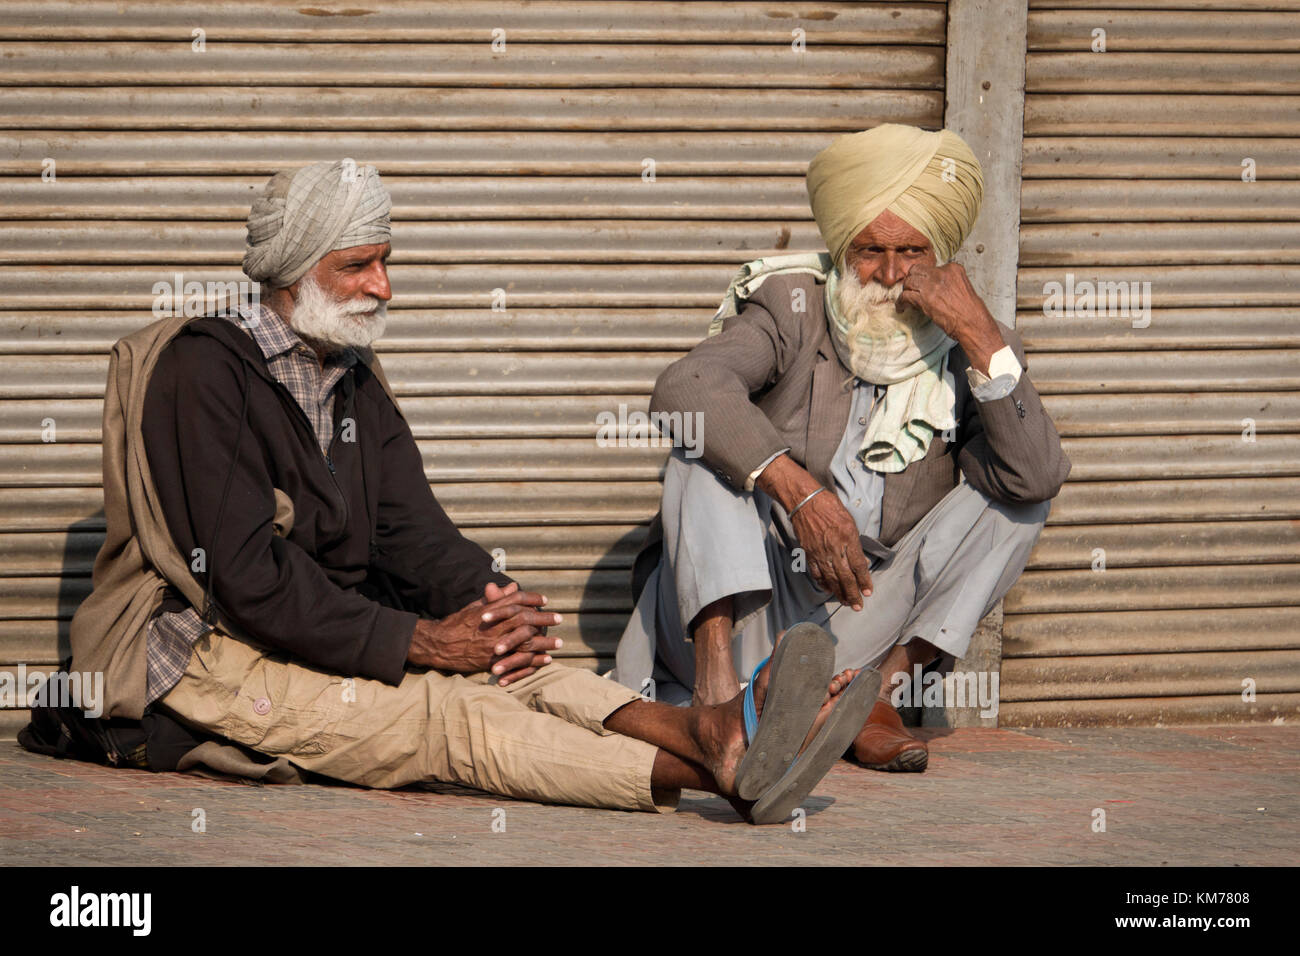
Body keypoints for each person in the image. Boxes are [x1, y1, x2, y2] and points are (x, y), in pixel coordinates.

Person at [65, 160, 873, 824]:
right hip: (211, 655)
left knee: (525, 673)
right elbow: (247, 578)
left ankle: (715, 727)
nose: (383, 287)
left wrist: (495, 610)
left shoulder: (349, 373)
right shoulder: (205, 373)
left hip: (316, 635)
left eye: (385, 262)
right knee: (450, 721)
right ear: (290, 273)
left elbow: (412, 533)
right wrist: (421, 644)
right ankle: (718, 770)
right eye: (358, 267)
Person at [613, 124, 1071, 772]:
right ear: (840, 243)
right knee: (700, 447)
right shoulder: (792, 305)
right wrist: (799, 495)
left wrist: (975, 330)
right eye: (869, 249)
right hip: (748, 608)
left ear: (941, 251)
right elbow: (685, 387)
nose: (888, 274)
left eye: (911, 250)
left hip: (854, 622)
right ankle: (716, 706)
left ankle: (876, 698)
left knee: (1019, 502)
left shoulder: (977, 348)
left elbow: (1038, 475)